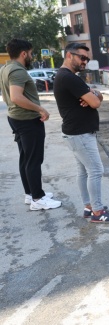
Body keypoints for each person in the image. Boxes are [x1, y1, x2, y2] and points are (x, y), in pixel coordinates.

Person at [54, 43, 109, 223]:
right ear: (69, 55)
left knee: (83, 171)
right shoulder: (69, 78)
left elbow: (95, 98)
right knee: (96, 170)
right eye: (82, 58)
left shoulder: (67, 77)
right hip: (80, 133)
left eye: (87, 59)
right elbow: (97, 103)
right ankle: (98, 212)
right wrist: (92, 96)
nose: (85, 62)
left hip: (75, 132)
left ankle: (89, 207)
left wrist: (93, 93)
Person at [0, 39, 61, 210]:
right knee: (34, 160)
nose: (32, 56)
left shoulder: (5, 68)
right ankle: (37, 198)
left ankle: (30, 194)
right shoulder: (17, 71)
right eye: (31, 53)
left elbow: (9, 97)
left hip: (16, 118)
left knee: (25, 158)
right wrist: (40, 109)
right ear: (24, 53)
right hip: (26, 120)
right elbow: (16, 97)